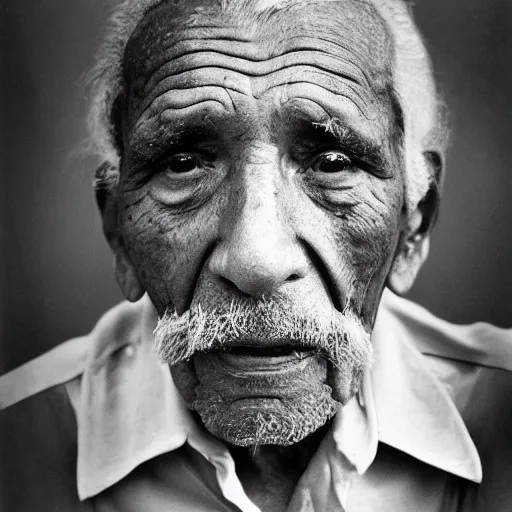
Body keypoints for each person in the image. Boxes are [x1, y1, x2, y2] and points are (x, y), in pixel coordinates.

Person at [1, 0, 511, 510]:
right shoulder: (17, 448)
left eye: (333, 163)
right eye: (183, 165)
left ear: (412, 227)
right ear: (119, 234)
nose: (257, 262)